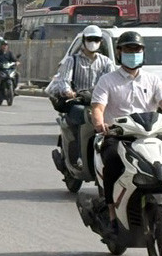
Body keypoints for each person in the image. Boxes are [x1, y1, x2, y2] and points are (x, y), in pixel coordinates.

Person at [91, 31, 162, 226]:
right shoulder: (107, 80)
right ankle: (111, 212)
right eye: (128, 49)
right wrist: (100, 123)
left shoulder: (152, 80)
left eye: (137, 49)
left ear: (143, 52)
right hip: (119, 136)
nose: (133, 53)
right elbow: (97, 108)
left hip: (150, 135)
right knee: (111, 161)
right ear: (119, 53)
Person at [47, 25, 115, 167]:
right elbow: (64, 81)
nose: (93, 42)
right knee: (79, 115)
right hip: (79, 102)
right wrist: (69, 92)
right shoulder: (72, 60)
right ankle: (78, 156)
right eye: (90, 39)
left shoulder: (106, 62)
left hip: (99, 103)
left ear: (101, 42)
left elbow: (111, 83)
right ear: (83, 41)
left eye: (96, 39)